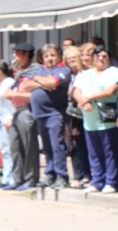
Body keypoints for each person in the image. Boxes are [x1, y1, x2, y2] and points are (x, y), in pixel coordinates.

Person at [21, 43, 71, 189]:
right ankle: (50, 175)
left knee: (57, 146)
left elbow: (53, 82)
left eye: (53, 55)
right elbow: (26, 86)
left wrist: (38, 81)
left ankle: (62, 176)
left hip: (55, 114)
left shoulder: (63, 70)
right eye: (46, 56)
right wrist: (43, 82)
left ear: (59, 56)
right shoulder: (40, 71)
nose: (49, 58)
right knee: (47, 147)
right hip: (39, 114)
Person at [71, 45, 118, 194]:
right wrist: (83, 101)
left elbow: (110, 91)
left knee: (109, 149)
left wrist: (88, 98)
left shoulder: (114, 72)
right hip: (89, 115)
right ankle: (97, 181)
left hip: (107, 108)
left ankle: (111, 182)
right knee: (94, 150)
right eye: (98, 56)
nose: (101, 59)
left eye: (104, 56)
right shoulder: (85, 74)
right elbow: (76, 91)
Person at [3, 43, 40, 190]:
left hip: (27, 111)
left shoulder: (36, 71)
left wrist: (15, 94)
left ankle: (31, 179)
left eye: (17, 53)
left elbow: (35, 95)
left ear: (26, 54)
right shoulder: (20, 72)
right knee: (15, 146)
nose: (14, 56)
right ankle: (18, 178)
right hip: (16, 111)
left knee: (29, 146)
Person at [63, 46, 91, 188]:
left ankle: (104, 177)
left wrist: (82, 100)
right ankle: (82, 175)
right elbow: (73, 93)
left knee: (104, 143)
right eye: (69, 58)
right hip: (76, 114)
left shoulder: (109, 72)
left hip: (101, 111)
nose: (84, 58)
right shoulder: (72, 75)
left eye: (75, 57)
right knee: (77, 144)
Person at [0, 61, 16, 189]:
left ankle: (11, 177)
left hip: (7, 118)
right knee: (4, 149)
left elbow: (13, 101)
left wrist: (11, 118)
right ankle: (6, 177)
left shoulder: (9, 82)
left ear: (0, 70)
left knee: (9, 148)